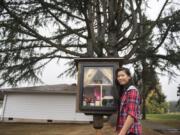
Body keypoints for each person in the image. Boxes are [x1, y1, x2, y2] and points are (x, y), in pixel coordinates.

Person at [115, 67, 142, 135]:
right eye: (118, 76)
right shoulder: (125, 92)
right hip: (126, 131)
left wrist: (122, 133)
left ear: (129, 77)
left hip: (131, 131)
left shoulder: (132, 91)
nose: (120, 78)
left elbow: (131, 115)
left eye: (122, 75)